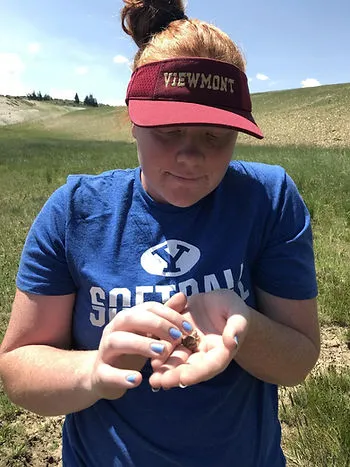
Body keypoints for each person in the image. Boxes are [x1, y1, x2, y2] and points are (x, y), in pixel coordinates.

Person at [0, 0, 320, 465]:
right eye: (168, 130)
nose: (191, 156)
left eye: (215, 136)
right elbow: (18, 370)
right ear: (134, 120)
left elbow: (298, 358)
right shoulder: (75, 212)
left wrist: (243, 328)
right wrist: (94, 369)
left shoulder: (267, 199)